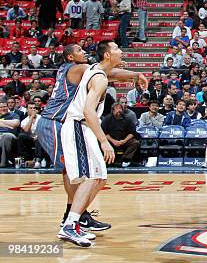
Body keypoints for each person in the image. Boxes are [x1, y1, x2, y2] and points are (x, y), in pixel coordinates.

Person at [36, 44, 146, 239]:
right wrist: (134, 75)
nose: (83, 52)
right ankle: (72, 220)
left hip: (74, 123)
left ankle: (75, 216)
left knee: (96, 175)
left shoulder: (89, 71)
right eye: (78, 51)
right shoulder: (81, 69)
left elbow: (109, 73)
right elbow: (109, 73)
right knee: (75, 172)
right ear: (70, 57)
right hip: (57, 120)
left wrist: (135, 76)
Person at [58, 40, 124, 247]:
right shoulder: (99, 78)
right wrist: (104, 141)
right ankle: (70, 225)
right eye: (116, 49)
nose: (120, 51)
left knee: (100, 178)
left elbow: (114, 73)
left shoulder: (96, 69)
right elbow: (87, 111)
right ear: (107, 55)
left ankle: (75, 221)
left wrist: (135, 75)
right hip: (78, 125)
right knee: (90, 177)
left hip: (84, 127)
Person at [101, 103, 140, 168]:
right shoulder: (106, 119)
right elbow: (104, 133)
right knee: (100, 142)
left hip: (124, 140)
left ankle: (124, 160)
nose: (118, 110)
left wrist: (124, 141)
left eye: (120, 108)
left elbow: (132, 133)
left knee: (135, 143)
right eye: (116, 108)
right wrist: (113, 141)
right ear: (113, 110)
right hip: (111, 141)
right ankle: (106, 160)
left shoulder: (128, 119)